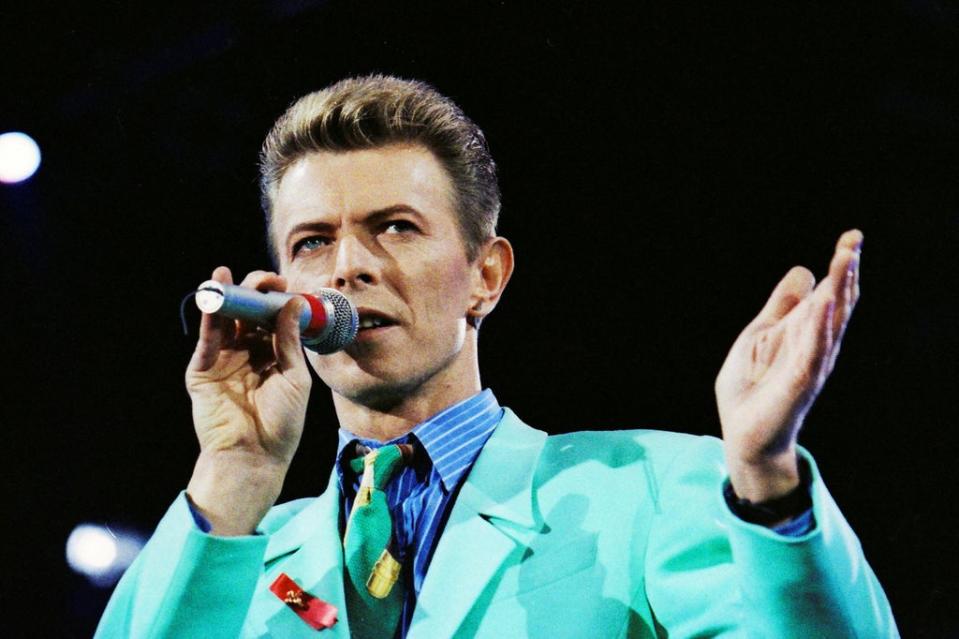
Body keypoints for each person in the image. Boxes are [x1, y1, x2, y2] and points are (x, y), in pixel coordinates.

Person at [95, 75, 898, 638]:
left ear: (486, 276)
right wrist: (234, 472)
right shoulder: (237, 549)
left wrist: (765, 482)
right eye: (313, 241)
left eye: (395, 226)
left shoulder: (655, 487)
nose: (347, 266)